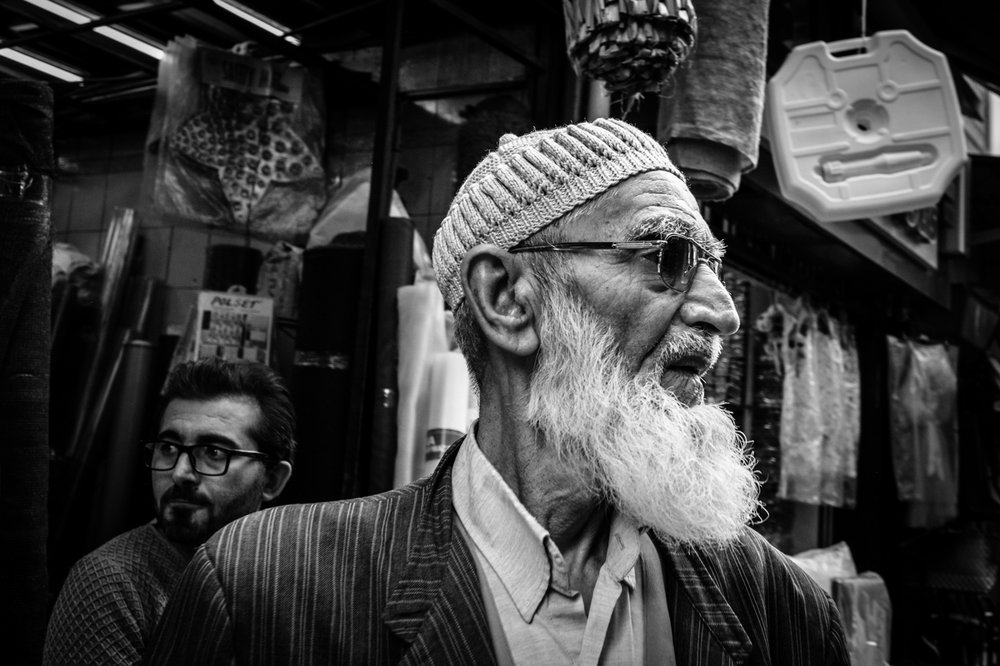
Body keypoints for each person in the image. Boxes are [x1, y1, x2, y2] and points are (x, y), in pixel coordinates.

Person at [147, 118, 849, 664]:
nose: (723, 311)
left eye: (712, 265)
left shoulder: (778, 607)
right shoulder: (268, 588)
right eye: (668, 256)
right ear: (506, 299)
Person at [43, 358, 295, 665]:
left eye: (214, 452)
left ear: (271, 480)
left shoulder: (288, 580)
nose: (180, 473)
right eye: (168, 448)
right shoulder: (112, 582)